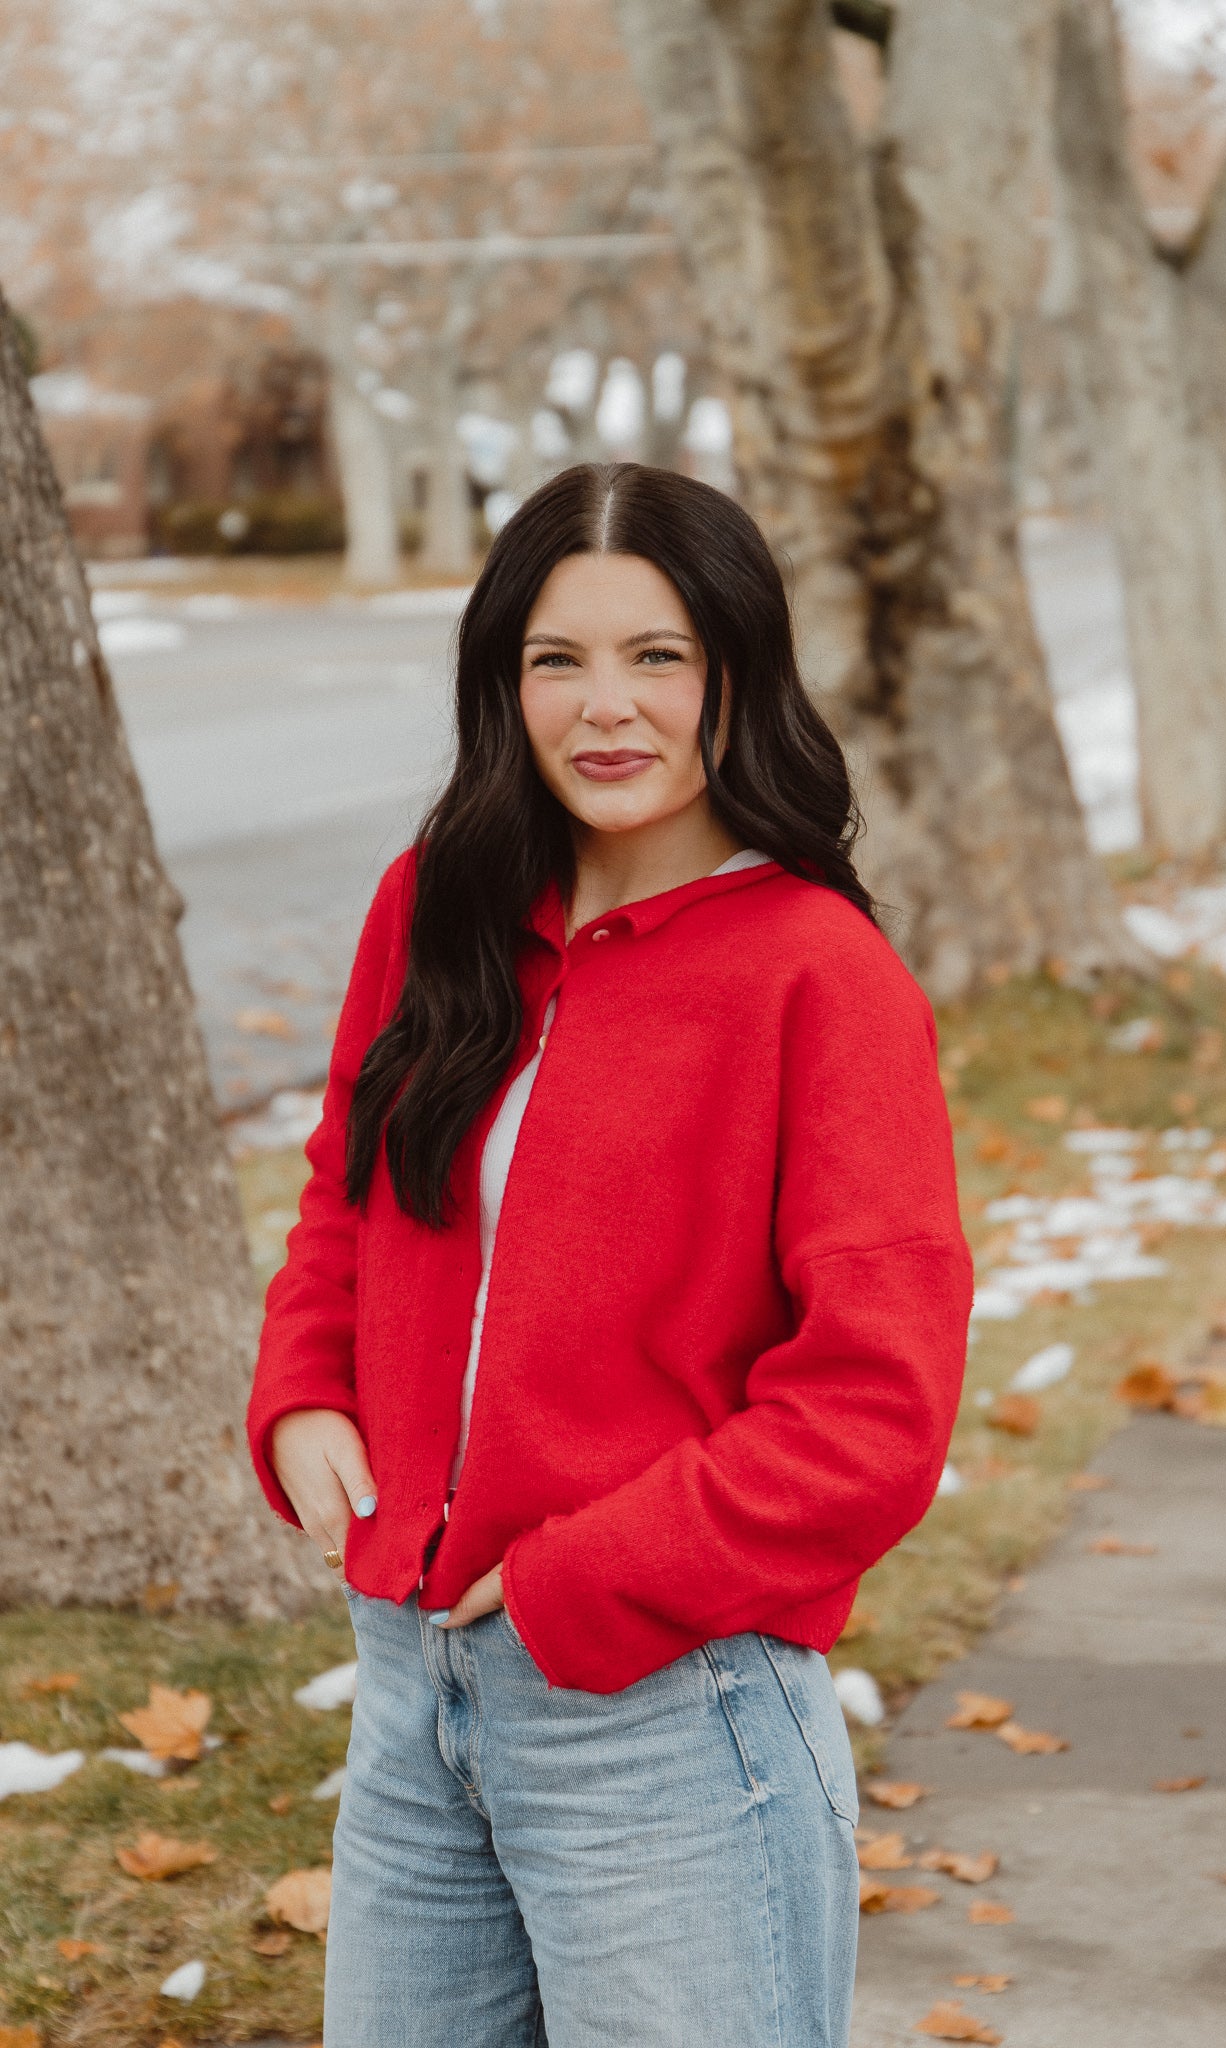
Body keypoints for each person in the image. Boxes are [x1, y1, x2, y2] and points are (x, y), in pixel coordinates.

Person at [247, 461, 972, 2048]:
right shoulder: (436, 905)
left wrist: (586, 1579)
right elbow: (348, 1196)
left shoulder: (815, 978)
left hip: (664, 1712)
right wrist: (304, 1384)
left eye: (657, 657)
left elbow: (874, 1414)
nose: (605, 708)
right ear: (500, 683)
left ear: (735, 675)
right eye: (554, 660)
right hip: (409, 1702)